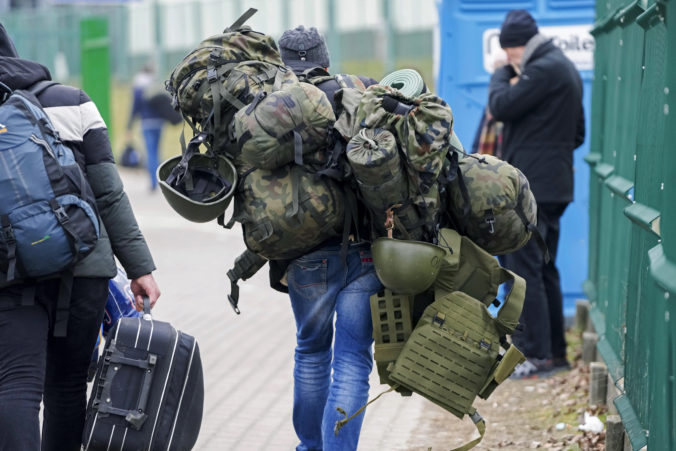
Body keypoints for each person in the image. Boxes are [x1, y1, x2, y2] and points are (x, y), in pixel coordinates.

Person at [0, 24, 161, 450]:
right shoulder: (72, 100)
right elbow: (109, 193)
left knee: (17, 385)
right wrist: (140, 267)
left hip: (12, 270)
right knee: (67, 386)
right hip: (84, 263)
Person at [274, 25, 383, 451]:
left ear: (282, 64)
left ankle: (310, 447)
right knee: (353, 361)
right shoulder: (362, 91)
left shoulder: (273, 109)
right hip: (369, 252)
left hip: (306, 256)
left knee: (311, 352)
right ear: (326, 59)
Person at [487, 9, 585, 378]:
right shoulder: (563, 67)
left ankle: (536, 355)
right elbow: (578, 134)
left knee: (525, 270)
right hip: (555, 186)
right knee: (545, 270)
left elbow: (501, 106)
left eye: (510, 54)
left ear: (516, 47)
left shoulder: (542, 69)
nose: (510, 62)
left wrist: (500, 72)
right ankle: (555, 354)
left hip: (534, 190)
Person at [126, 63, 165, 191]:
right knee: (157, 151)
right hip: (159, 122)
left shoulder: (138, 87)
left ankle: (154, 182)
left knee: (151, 152)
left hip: (147, 123)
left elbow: (135, 108)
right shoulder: (155, 85)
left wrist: (129, 125)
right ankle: (161, 179)